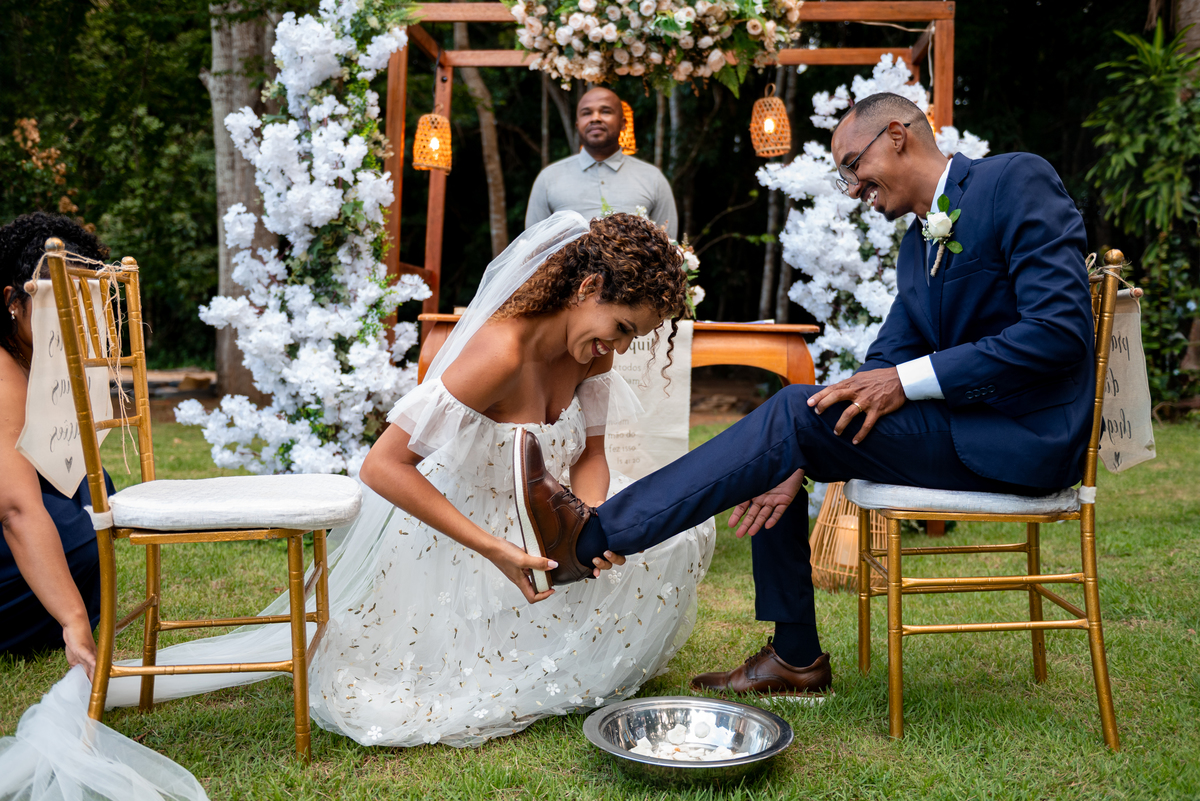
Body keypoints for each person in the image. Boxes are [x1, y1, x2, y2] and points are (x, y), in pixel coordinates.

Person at [514, 92, 1096, 701]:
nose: (850, 187)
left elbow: (1058, 332)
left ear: (897, 134)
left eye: (852, 164)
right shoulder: (916, 244)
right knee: (796, 426)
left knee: (795, 414)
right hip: (963, 428)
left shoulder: (1014, 181)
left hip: (1023, 437)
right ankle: (794, 658)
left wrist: (904, 383)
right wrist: (796, 456)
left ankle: (589, 539)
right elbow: (885, 359)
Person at [92, 211, 714, 749]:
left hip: (542, 518)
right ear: (586, 288)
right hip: (461, 531)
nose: (622, 347)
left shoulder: (593, 352)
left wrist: (584, 521)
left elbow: (592, 453)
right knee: (416, 688)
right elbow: (381, 467)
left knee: (675, 539)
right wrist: (496, 548)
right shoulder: (498, 353)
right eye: (625, 327)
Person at [0, 212, 116, 676]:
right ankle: (60, 618)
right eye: (54, 309)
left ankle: (56, 610)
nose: (70, 324)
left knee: (93, 488)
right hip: (8, 516)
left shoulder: (33, 357)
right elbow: (15, 509)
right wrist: (72, 619)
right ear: (13, 302)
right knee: (76, 529)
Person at [526, 87, 678, 239]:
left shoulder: (652, 178)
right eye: (586, 113)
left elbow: (669, 247)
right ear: (577, 124)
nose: (595, 118)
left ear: (623, 123)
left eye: (605, 111)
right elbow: (532, 248)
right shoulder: (548, 178)